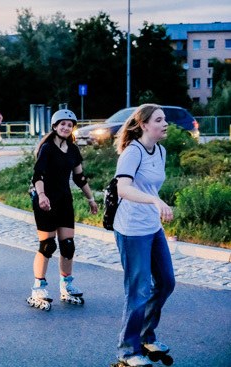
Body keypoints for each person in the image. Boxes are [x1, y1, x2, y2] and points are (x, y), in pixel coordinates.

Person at [112, 104, 175, 367]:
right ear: (144, 125)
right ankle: (128, 351)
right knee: (138, 291)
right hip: (131, 230)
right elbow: (123, 189)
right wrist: (154, 201)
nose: (165, 123)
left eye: (165, 119)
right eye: (159, 120)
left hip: (152, 227)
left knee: (166, 282)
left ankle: (146, 336)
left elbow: (149, 186)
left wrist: (156, 203)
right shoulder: (132, 152)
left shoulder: (160, 151)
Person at [27, 109, 98, 311]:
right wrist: (41, 196)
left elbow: (79, 178)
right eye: (62, 124)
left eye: (69, 124)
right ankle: (38, 287)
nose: (66, 127)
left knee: (67, 246)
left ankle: (65, 285)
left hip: (64, 201)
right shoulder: (47, 148)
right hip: (45, 201)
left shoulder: (73, 150)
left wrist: (91, 199)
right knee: (48, 246)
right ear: (55, 126)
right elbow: (38, 175)